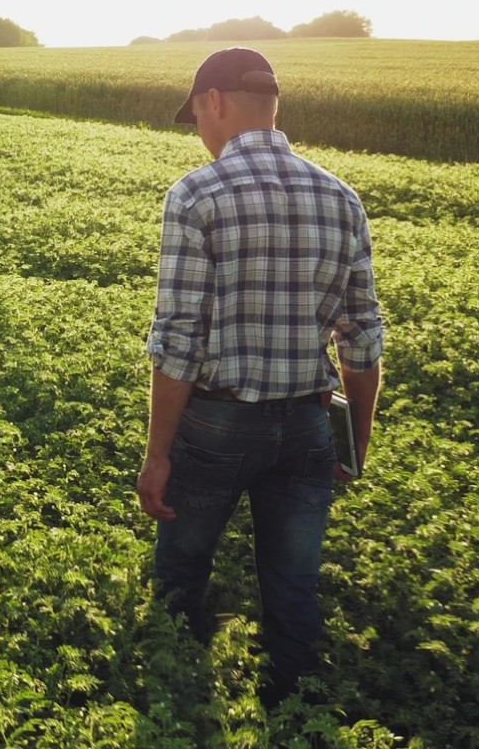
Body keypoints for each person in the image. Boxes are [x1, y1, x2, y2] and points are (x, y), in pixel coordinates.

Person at [135, 46, 386, 709]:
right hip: (309, 426)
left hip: (217, 424)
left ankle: (179, 706)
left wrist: (159, 454)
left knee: (183, 573)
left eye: (194, 116)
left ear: (211, 102)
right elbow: (362, 341)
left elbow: (179, 342)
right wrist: (351, 446)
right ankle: (291, 713)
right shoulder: (341, 197)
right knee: (294, 586)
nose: (198, 131)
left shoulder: (196, 194)